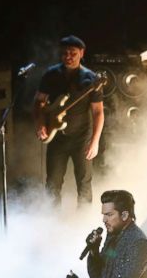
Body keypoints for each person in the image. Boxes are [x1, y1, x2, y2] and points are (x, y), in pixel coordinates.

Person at [34, 35, 105, 207]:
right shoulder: (51, 75)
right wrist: (40, 123)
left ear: (81, 53)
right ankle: (52, 220)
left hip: (81, 138)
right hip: (57, 137)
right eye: (65, 53)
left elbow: (98, 112)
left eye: (73, 53)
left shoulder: (90, 79)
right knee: (52, 183)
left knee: (84, 183)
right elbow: (39, 101)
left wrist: (95, 142)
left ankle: (83, 223)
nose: (69, 56)